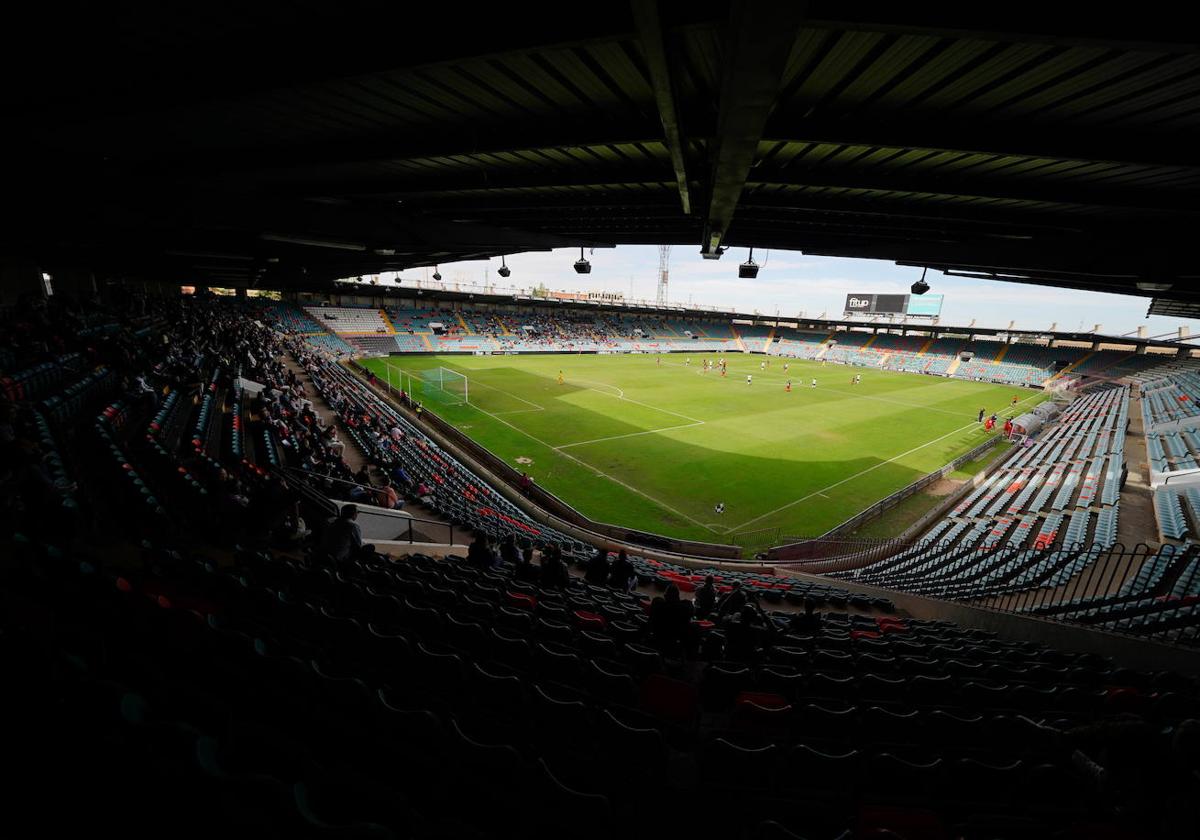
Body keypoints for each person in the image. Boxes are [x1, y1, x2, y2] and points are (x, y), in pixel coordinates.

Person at [649, 584, 695, 653]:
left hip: (657, 635)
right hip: (675, 637)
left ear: (665, 595)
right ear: (678, 596)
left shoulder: (658, 604)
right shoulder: (685, 608)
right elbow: (692, 611)